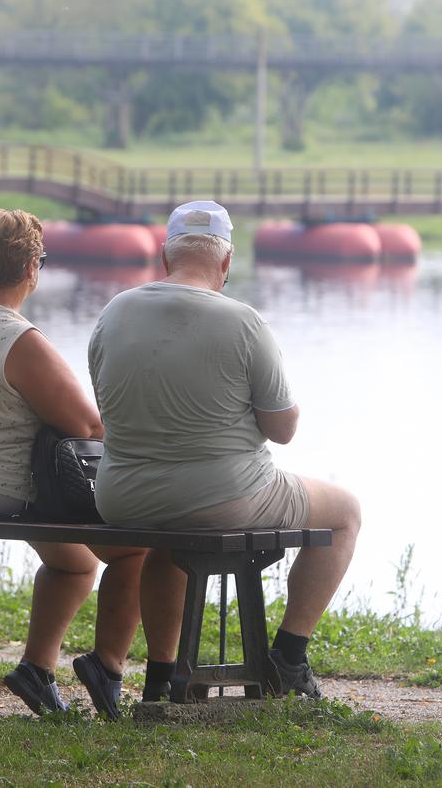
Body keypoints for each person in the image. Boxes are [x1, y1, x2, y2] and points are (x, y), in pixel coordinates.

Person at [88, 200, 362, 699]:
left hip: (123, 496)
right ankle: (289, 657)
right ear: (227, 261)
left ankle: (162, 679)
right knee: (345, 511)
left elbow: (109, 411)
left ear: (165, 255)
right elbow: (282, 430)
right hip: (222, 498)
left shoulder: (114, 312)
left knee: (169, 540)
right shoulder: (245, 323)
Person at [0, 208, 144, 719]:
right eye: (41, 260)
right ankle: (107, 667)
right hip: (6, 486)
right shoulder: (17, 337)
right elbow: (88, 426)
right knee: (138, 549)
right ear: (30, 268)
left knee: (75, 562)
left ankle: (36, 670)